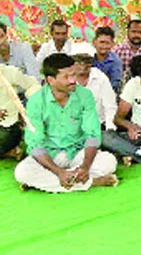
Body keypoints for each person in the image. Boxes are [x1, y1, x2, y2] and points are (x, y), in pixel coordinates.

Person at [14, 54, 118, 192]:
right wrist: (59, 172)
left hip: (77, 153)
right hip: (50, 155)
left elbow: (92, 134)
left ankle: (49, 182)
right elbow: (35, 144)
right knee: (22, 172)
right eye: (67, 77)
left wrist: (85, 167)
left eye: (73, 75)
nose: (73, 80)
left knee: (109, 161)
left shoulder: (85, 95)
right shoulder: (36, 101)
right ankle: (91, 182)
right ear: (51, 80)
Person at [0, 64, 40, 159]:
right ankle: (11, 152)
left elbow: (32, 84)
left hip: (8, 126)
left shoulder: (9, 72)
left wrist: (29, 106)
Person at [72, 53, 117, 131]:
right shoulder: (64, 77)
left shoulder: (101, 77)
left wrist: (110, 127)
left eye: (87, 62)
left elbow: (110, 105)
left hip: (97, 127)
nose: (83, 65)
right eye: (78, 62)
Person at [113, 20, 141, 85]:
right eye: (133, 32)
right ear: (128, 32)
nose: (136, 35)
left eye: (140, 32)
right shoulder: (118, 50)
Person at [92, 26, 123, 92]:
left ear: (112, 44)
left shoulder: (115, 61)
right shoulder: (90, 58)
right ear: (94, 42)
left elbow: (115, 82)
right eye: (102, 42)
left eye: (107, 43)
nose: (104, 46)